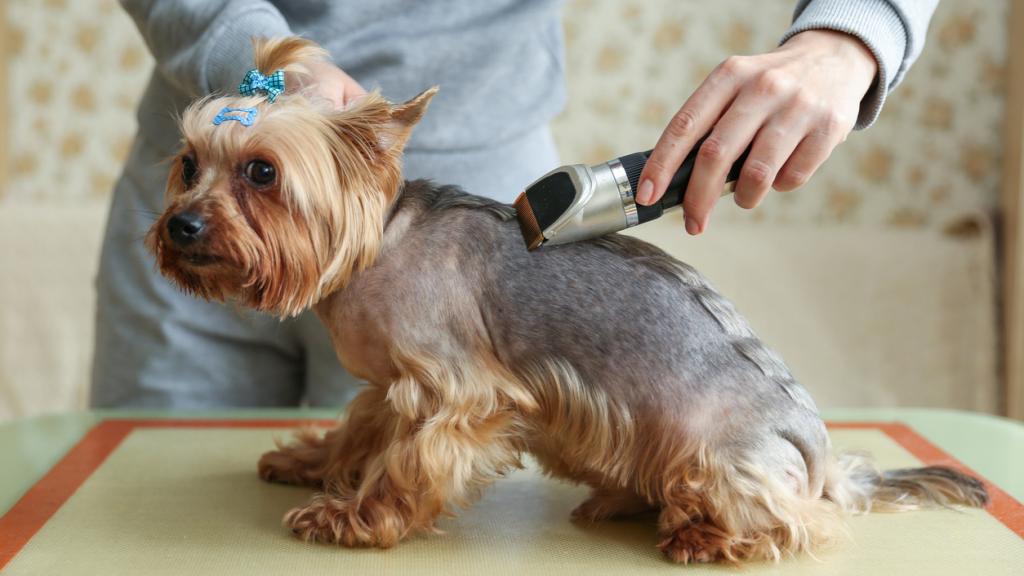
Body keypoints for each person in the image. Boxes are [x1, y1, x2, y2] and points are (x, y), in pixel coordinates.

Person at [92, 0, 937, 408]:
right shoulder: (200, 192)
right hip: (221, 97)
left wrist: (854, 30)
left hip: (472, 205)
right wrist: (253, 58)